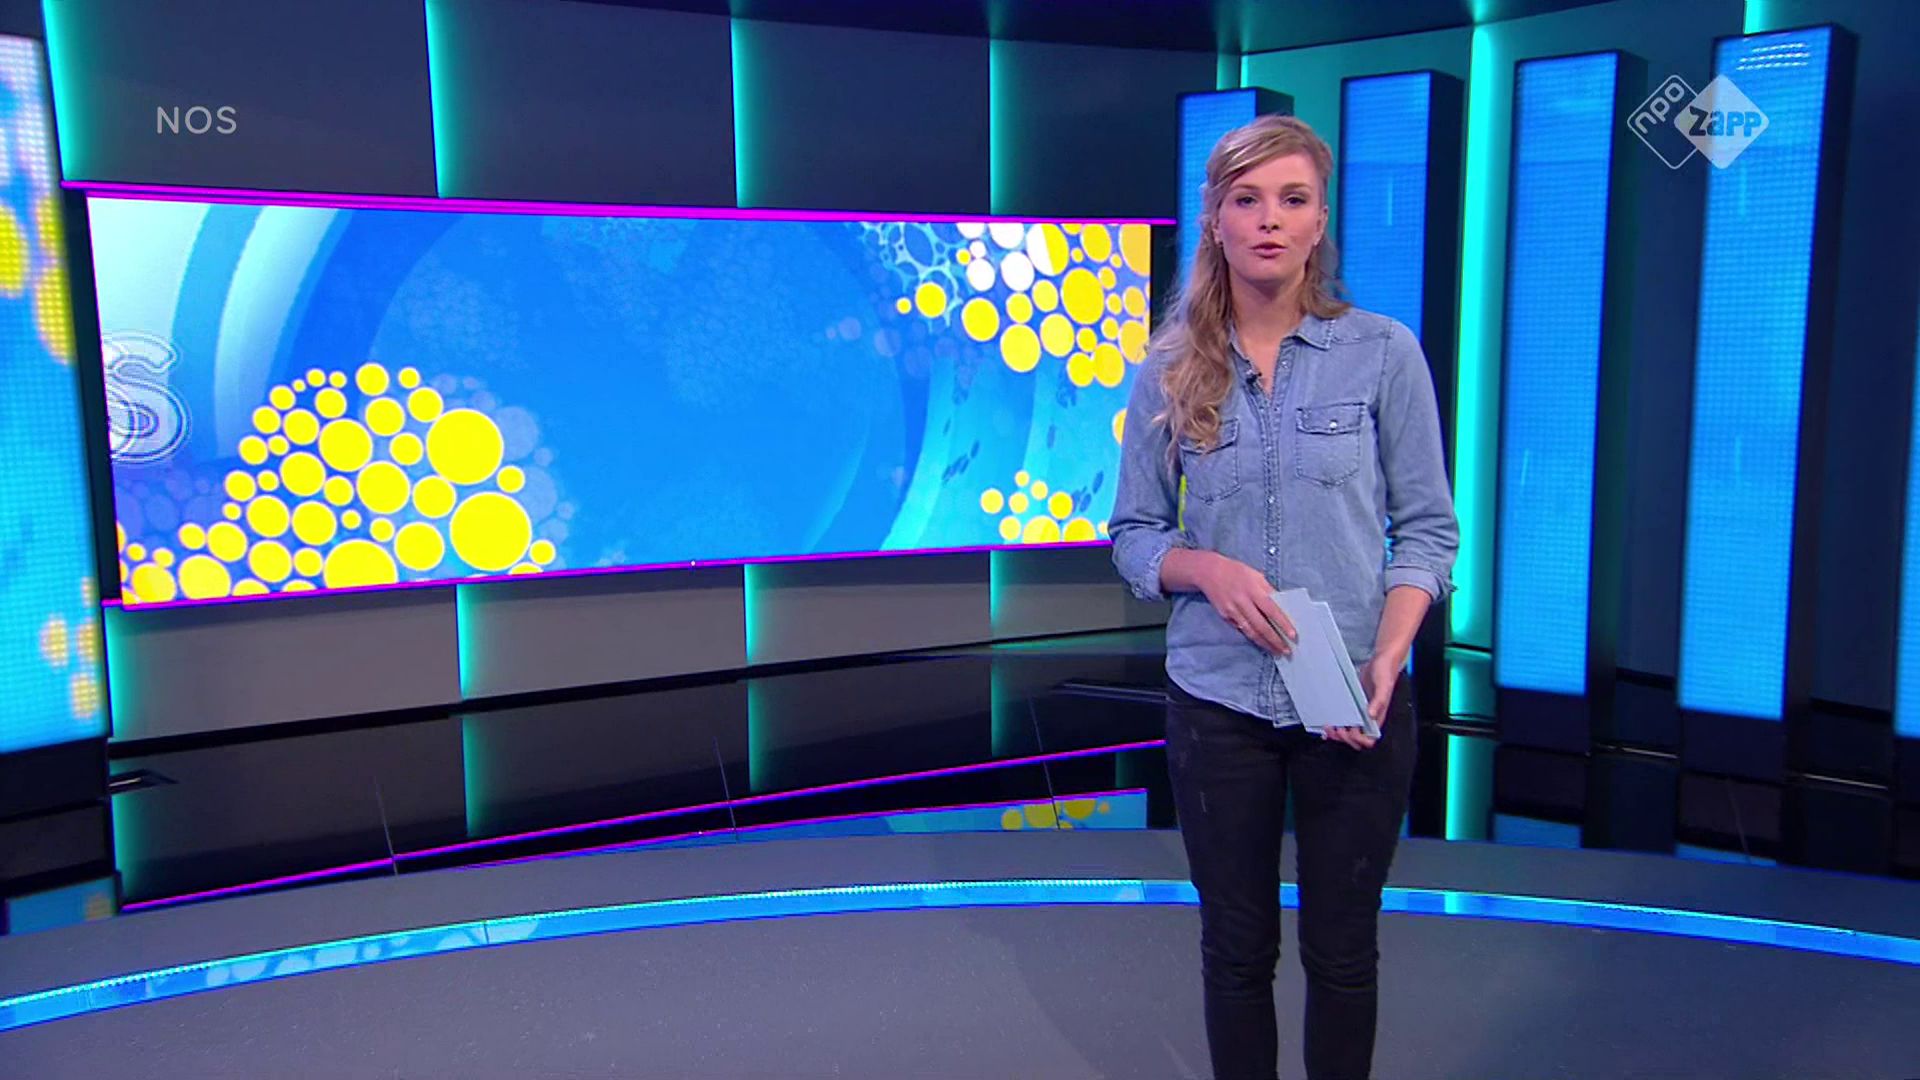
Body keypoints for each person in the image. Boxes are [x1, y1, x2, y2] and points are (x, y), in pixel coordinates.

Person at [1108, 114, 1458, 1079]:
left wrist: (1390, 657)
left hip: (1353, 695)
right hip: (1218, 699)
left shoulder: (1383, 352)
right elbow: (1134, 533)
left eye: (1292, 200)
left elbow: (1428, 532)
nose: (1270, 220)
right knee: (1236, 951)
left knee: (1342, 953)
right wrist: (1206, 570)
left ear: (1319, 222)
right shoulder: (1168, 369)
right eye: (1248, 199)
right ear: (1214, 220)